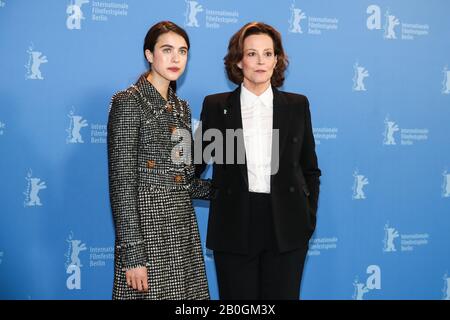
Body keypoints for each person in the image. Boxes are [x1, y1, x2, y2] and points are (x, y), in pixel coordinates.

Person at [195, 22, 321, 300]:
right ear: (238, 61)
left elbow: (310, 169)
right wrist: (218, 194)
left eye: (268, 53)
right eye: (252, 54)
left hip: (287, 227)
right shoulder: (216, 106)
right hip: (235, 225)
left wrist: (306, 218)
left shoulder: (297, 105)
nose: (261, 61)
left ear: (277, 60)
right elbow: (194, 165)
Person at [107, 21, 211, 300]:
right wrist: (133, 256)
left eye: (183, 51)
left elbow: (184, 180)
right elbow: (122, 185)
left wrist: (232, 188)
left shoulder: (181, 108)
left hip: (182, 229)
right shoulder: (129, 102)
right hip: (147, 234)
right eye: (167, 50)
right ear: (149, 55)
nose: (176, 58)